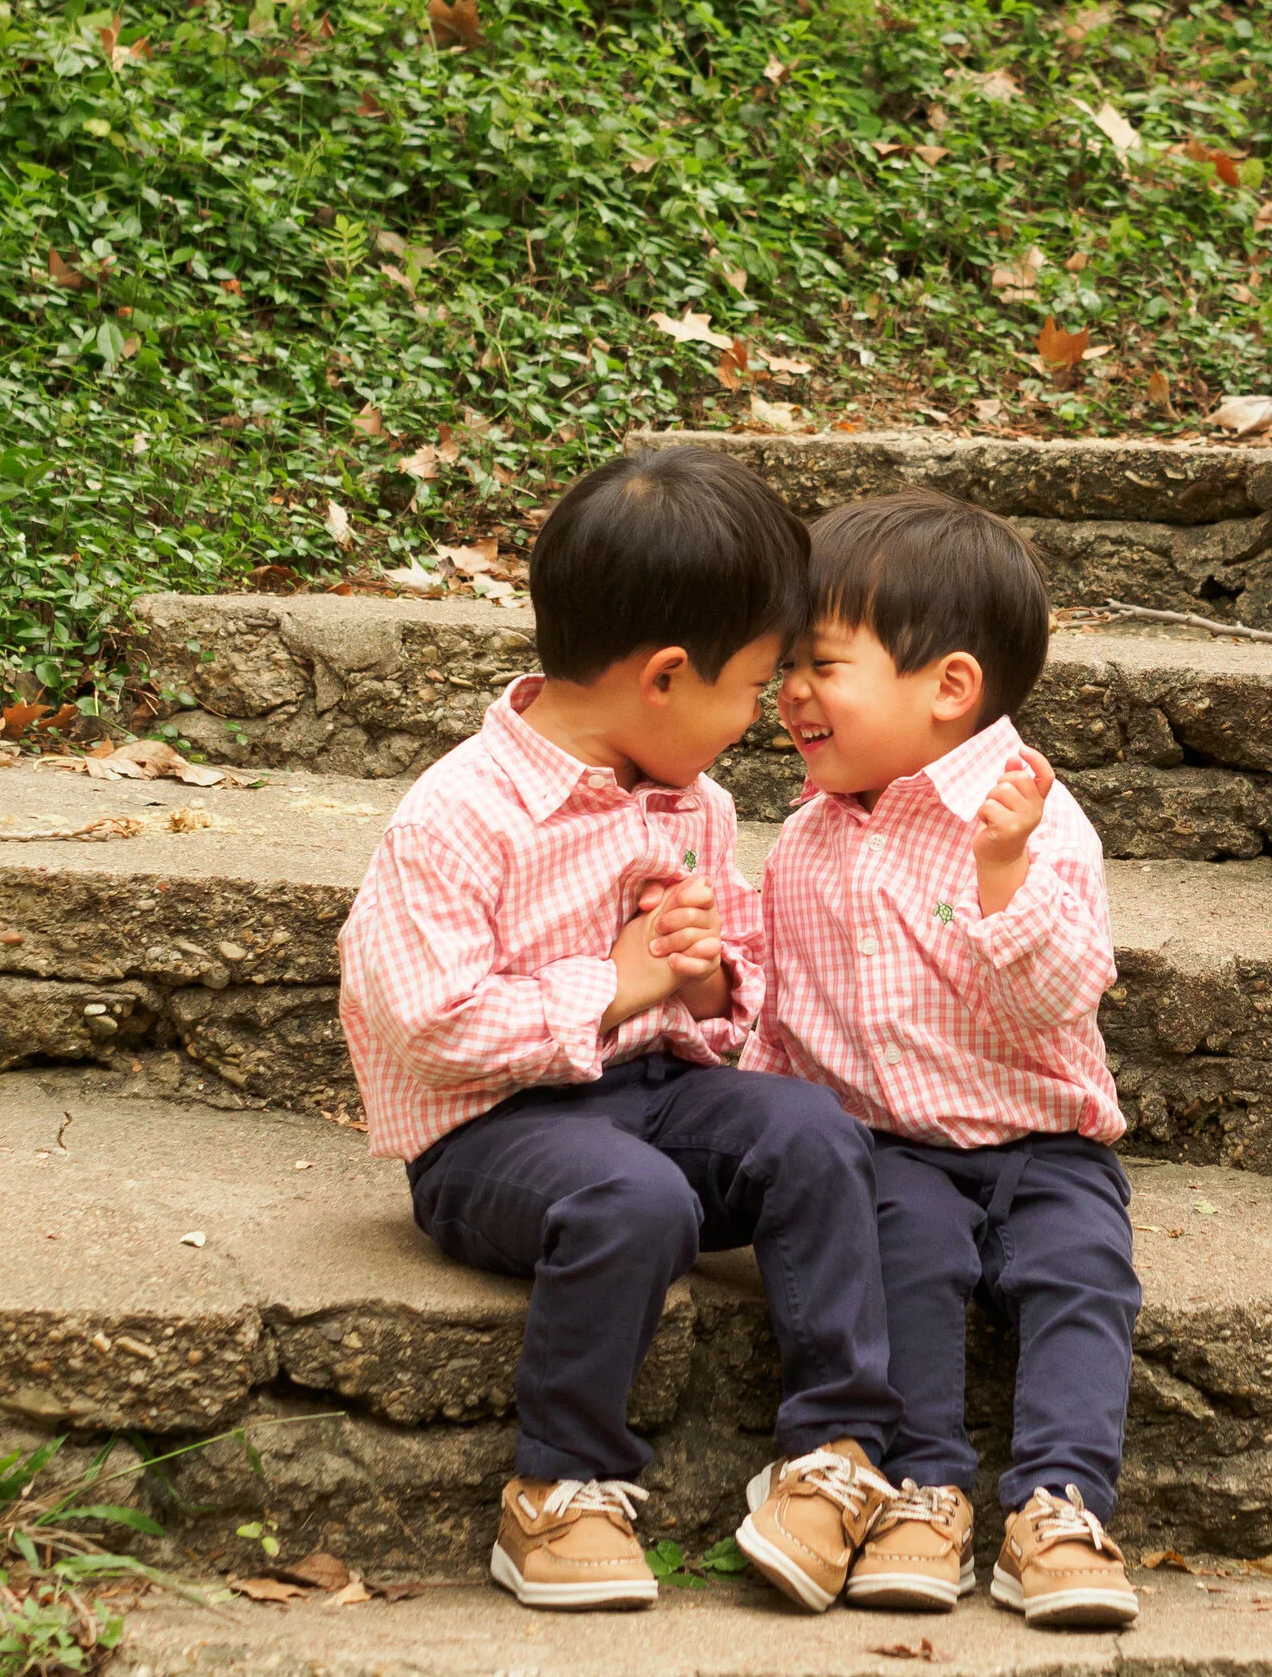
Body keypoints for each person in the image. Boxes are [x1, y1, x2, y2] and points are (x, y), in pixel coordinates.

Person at [338, 446, 902, 1616]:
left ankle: (835, 1451)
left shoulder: (693, 801)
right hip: (489, 1137)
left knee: (808, 1131)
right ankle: (560, 1485)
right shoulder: (456, 818)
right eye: (751, 687)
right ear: (664, 677)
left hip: (649, 1098)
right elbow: (431, 1024)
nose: (759, 716)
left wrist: (695, 984)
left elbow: (713, 1003)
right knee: (632, 1200)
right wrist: (614, 979)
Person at [728, 486, 1141, 1631]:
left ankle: (1059, 1503)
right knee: (900, 1263)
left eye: (819, 666)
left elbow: (1063, 996)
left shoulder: (1032, 822)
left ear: (949, 688)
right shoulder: (807, 842)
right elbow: (785, 1021)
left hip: (1049, 1146)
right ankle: (923, 1489)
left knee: (1082, 1279)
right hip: (893, 1148)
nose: (789, 694)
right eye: (785, 669)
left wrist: (1002, 879)